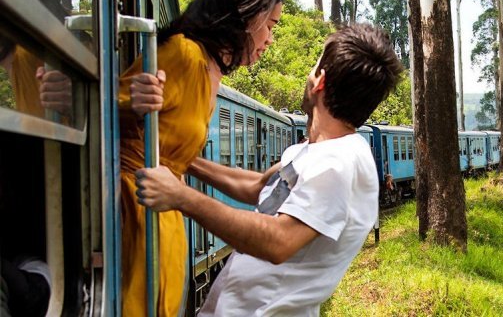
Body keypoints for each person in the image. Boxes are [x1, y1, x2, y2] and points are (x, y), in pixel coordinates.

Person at [135, 24, 403, 316]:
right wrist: (180, 158)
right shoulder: (314, 151)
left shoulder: (338, 165)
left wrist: (182, 197)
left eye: (313, 67)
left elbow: (279, 240)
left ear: (320, 82)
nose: (308, 75)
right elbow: (256, 186)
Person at [119, 0, 285, 317]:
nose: (271, 39)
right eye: (270, 26)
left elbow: (173, 149)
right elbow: (105, 107)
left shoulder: (210, 70)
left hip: (161, 214)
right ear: (245, 16)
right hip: (131, 210)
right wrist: (131, 100)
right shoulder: (184, 54)